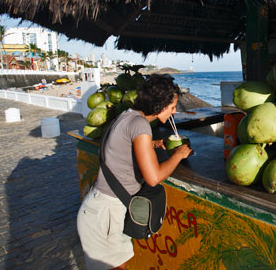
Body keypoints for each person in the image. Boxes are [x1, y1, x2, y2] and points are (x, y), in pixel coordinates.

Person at [77, 74, 192, 270]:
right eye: (172, 107)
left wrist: (150, 144)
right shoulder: (141, 125)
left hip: (106, 209)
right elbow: (153, 178)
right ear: (160, 105)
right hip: (105, 214)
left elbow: (122, 144)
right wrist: (179, 155)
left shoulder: (128, 116)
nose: (174, 112)